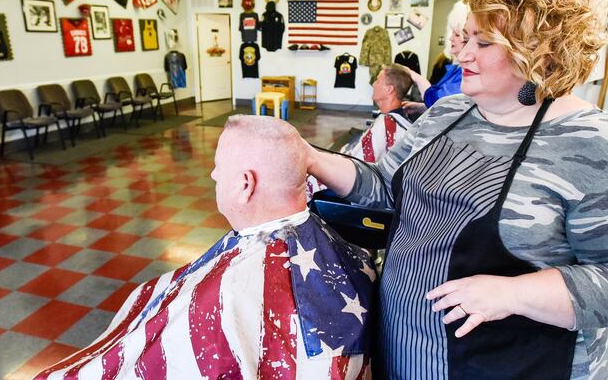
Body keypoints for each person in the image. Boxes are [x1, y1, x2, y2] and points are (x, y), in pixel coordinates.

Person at [303, 0, 608, 379]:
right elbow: (385, 189)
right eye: (465, 38)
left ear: (540, 55)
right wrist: (312, 159)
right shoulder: (447, 114)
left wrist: (513, 294)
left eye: (482, 44)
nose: (462, 54)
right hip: (408, 352)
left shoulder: (603, 148)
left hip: (519, 366)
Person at [35, 116, 376, 379]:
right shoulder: (337, 246)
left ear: (245, 184)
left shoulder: (230, 293)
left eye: (219, 167)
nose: (213, 175)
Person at [307, 65, 413, 198]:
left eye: (378, 80)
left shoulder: (387, 125)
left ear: (389, 89)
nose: (373, 84)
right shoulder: (393, 119)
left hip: (363, 187)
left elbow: (357, 167)